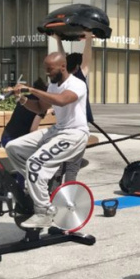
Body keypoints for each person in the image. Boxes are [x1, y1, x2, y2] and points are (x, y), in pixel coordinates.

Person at [5, 53, 90, 229]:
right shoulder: (53, 85)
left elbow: (61, 101)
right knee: (13, 147)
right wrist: (22, 99)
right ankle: (38, 184)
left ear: (63, 67)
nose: (47, 74)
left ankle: (44, 212)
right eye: (46, 70)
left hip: (74, 134)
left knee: (35, 163)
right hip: (58, 131)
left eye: (50, 70)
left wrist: (32, 89)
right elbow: (39, 107)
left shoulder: (77, 84)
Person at [55, 30, 94, 183]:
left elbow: (62, 57)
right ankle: (67, 198)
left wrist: (58, 39)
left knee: (58, 166)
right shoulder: (79, 79)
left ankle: (53, 195)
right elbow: (87, 59)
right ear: (77, 67)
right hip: (76, 130)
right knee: (72, 167)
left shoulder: (61, 81)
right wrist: (89, 39)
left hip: (61, 128)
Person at [1, 78, 48, 147]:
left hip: (5, 137)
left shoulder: (24, 99)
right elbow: (33, 130)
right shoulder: (41, 107)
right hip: (17, 141)